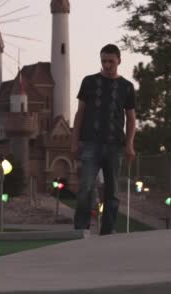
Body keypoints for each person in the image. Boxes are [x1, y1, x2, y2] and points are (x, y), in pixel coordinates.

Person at [71, 44, 136, 235]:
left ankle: (108, 231)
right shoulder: (89, 82)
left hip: (115, 145)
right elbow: (80, 113)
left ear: (119, 61)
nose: (107, 65)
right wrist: (74, 142)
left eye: (111, 61)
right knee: (85, 187)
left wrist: (130, 144)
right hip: (91, 143)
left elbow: (131, 119)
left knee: (112, 192)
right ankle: (80, 229)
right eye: (103, 61)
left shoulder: (127, 87)